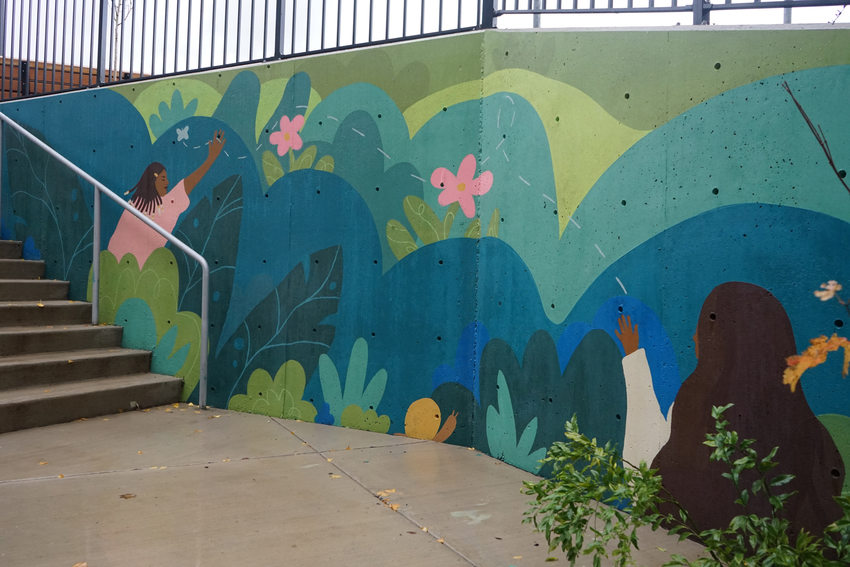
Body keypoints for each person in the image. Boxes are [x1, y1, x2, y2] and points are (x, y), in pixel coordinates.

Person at [651, 282, 844, 537]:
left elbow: (665, 496)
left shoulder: (697, 406)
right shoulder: (813, 434)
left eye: (705, 324)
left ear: (722, 336)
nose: (694, 337)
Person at [108, 129, 226, 267]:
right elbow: (187, 184)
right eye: (163, 178)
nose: (167, 183)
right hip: (122, 266)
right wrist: (210, 159)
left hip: (134, 269)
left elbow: (186, 185)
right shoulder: (138, 205)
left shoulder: (148, 204)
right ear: (153, 180)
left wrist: (210, 159)